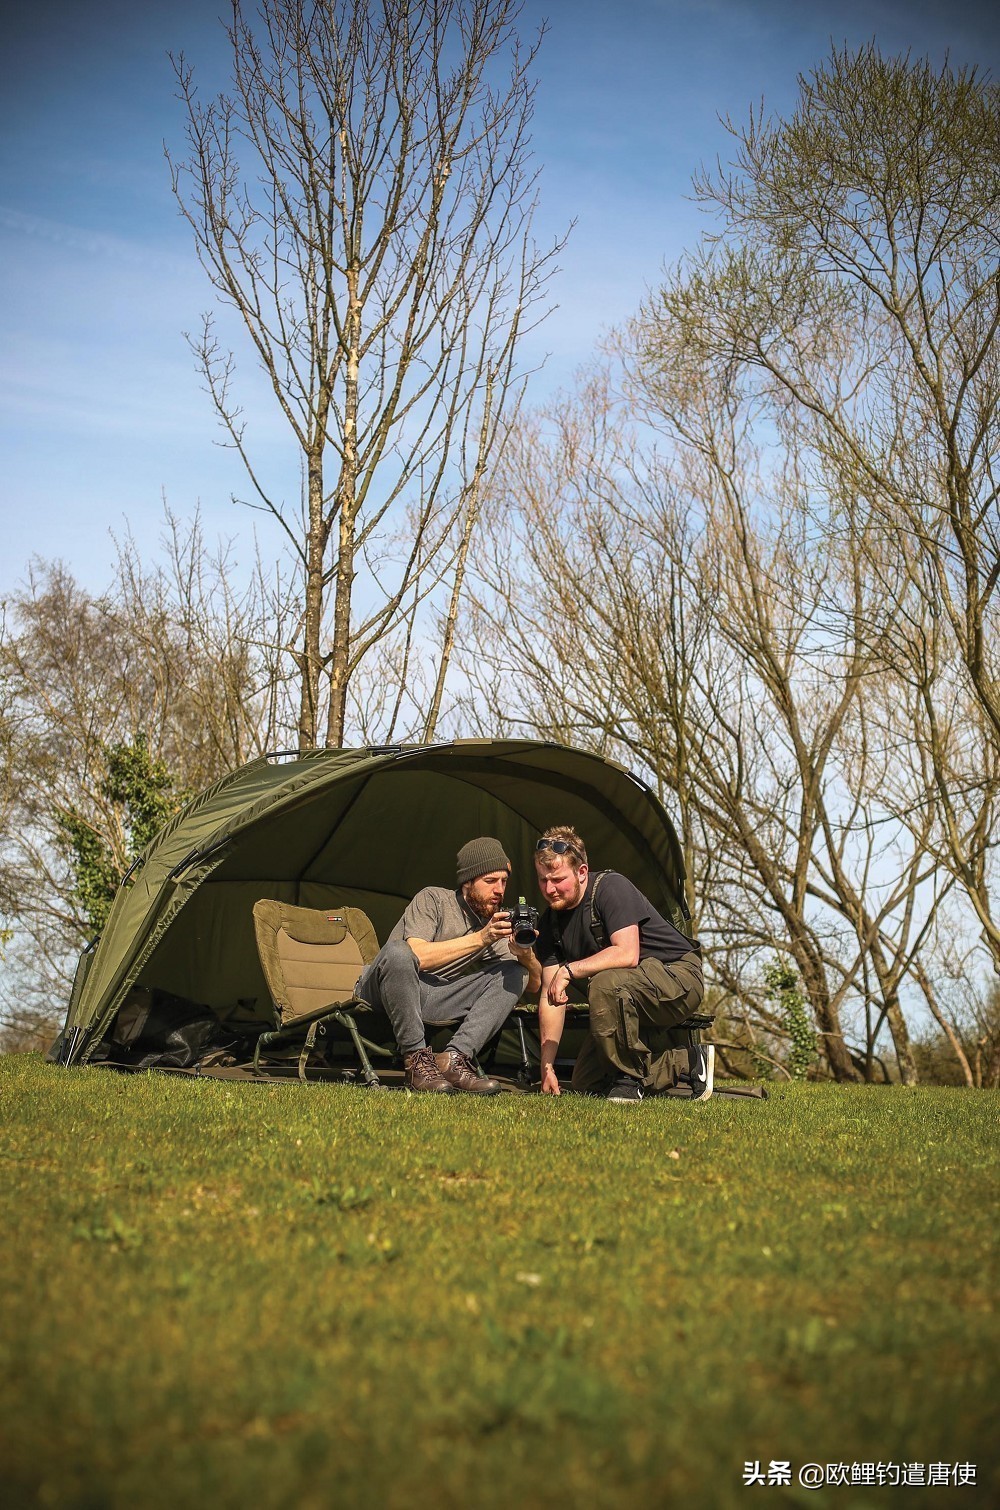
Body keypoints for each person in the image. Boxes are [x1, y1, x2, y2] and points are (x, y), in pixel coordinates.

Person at [533, 825, 712, 1103]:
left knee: (604, 981)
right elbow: (550, 996)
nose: (550, 889)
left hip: (679, 978)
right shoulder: (550, 924)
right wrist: (547, 1067)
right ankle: (688, 1063)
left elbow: (627, 954)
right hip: (625, 996)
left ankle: (628, 1083)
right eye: (543, 880)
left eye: (557, 879)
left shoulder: (610, 887)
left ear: (582, 872)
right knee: (586, 1083)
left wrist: (570, 970)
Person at [357, 837, 541, 1094]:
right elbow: (417, 955)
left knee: (515, 973)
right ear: (467, 882)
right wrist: (481, 938)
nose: (499, 889)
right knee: (400, 952)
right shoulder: (433, 899)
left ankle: (455, 1059)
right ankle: (416, 1061)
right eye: (490, 881)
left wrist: (525, 955)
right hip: (382, 990)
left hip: (432, 997)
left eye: (504, 881)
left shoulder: (491, 925)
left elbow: (533, 985)